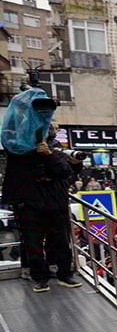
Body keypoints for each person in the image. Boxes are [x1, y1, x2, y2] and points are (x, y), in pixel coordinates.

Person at [2, 122, 82, 292]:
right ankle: (39, 278)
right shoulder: (20, 151)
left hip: (56, 203)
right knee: (33, 244)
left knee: (62, 242)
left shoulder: (56, 150)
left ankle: (65, 275)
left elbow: (64, 171)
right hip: (31, 204)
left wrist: (48, 154)